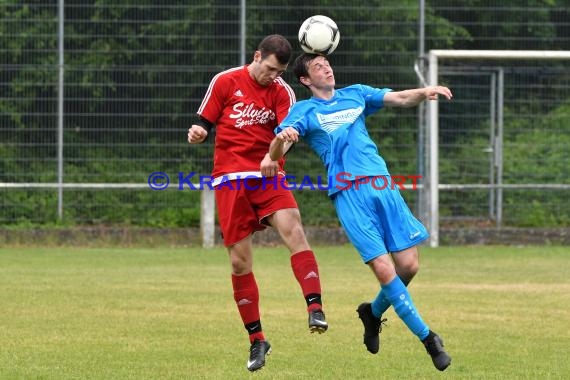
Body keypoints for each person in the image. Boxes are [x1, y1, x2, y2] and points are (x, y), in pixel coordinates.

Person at [269, 53, 452, 371]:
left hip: (383, 185)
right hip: (348, 194)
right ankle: (429, 340)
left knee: (408, 266)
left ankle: (372, 313)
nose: (326, 68)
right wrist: (279, 143)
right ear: (305, 80)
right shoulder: (303, 111)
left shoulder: (356, 94)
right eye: (317, 67)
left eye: (326, 63)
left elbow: (399, 97)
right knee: (385, 271)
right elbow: (277, 149)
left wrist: (423, 93)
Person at [187, 36, 327, 372]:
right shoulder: (225, 81)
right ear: (256, 56)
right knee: (239, 263)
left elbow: (287, 132)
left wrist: (274, 153)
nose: (272, 76)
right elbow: (203, 122)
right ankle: (257, 340)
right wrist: (198, 132)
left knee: (294, 229)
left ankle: (315, 308)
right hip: (229, 181)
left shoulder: (281, 91)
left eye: (278, 71)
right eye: (268, 68)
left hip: (267, 176)